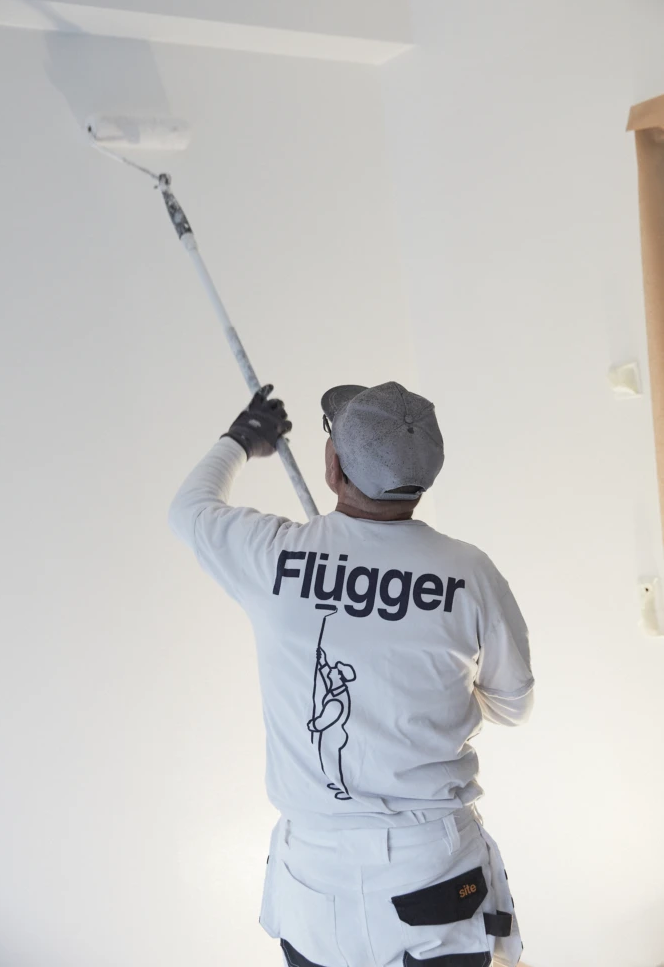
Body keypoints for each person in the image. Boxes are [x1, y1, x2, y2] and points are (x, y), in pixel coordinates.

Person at [169, 381, 534, 967]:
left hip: (316, 889)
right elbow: (514, 705)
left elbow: (189, 508)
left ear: (333, 468)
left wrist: (242, 438)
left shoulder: (273, 556)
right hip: (433, 872)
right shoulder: (469, 573)